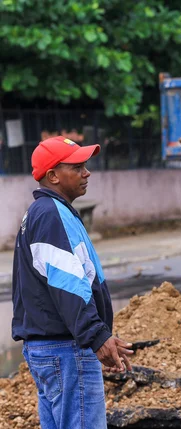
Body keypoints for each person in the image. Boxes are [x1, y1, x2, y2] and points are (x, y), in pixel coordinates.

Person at [12, 136, 134, 429]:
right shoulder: (51, 215)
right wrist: (96, 335)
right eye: (77, 167)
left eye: (85, 166)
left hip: (51, 350)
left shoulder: (47, 212)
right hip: (65, 351)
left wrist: (98, 333)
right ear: (53, 175)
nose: (86, 172)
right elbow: (67, 284)